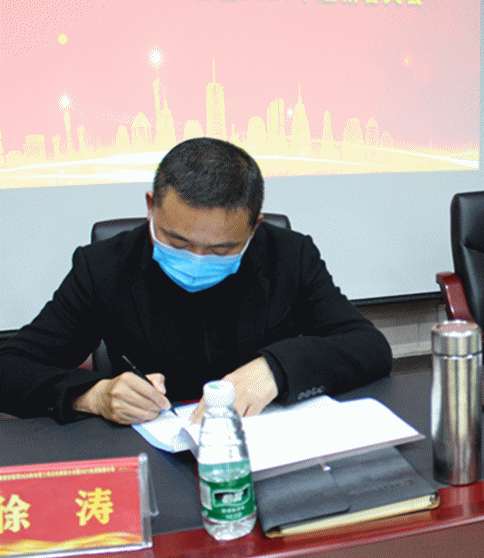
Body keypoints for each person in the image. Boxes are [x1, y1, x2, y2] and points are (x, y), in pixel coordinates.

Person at [0, 138, 392, 424]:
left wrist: (276, 369)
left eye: (222, 248)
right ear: (151, 207)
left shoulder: (290, 255)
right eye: (177, 242)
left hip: (264, 443)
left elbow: (369, 347)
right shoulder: (104, 267)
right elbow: (10, 369)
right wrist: (94, 395)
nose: (197, 259)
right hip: (157, 451)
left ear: (254, 226)